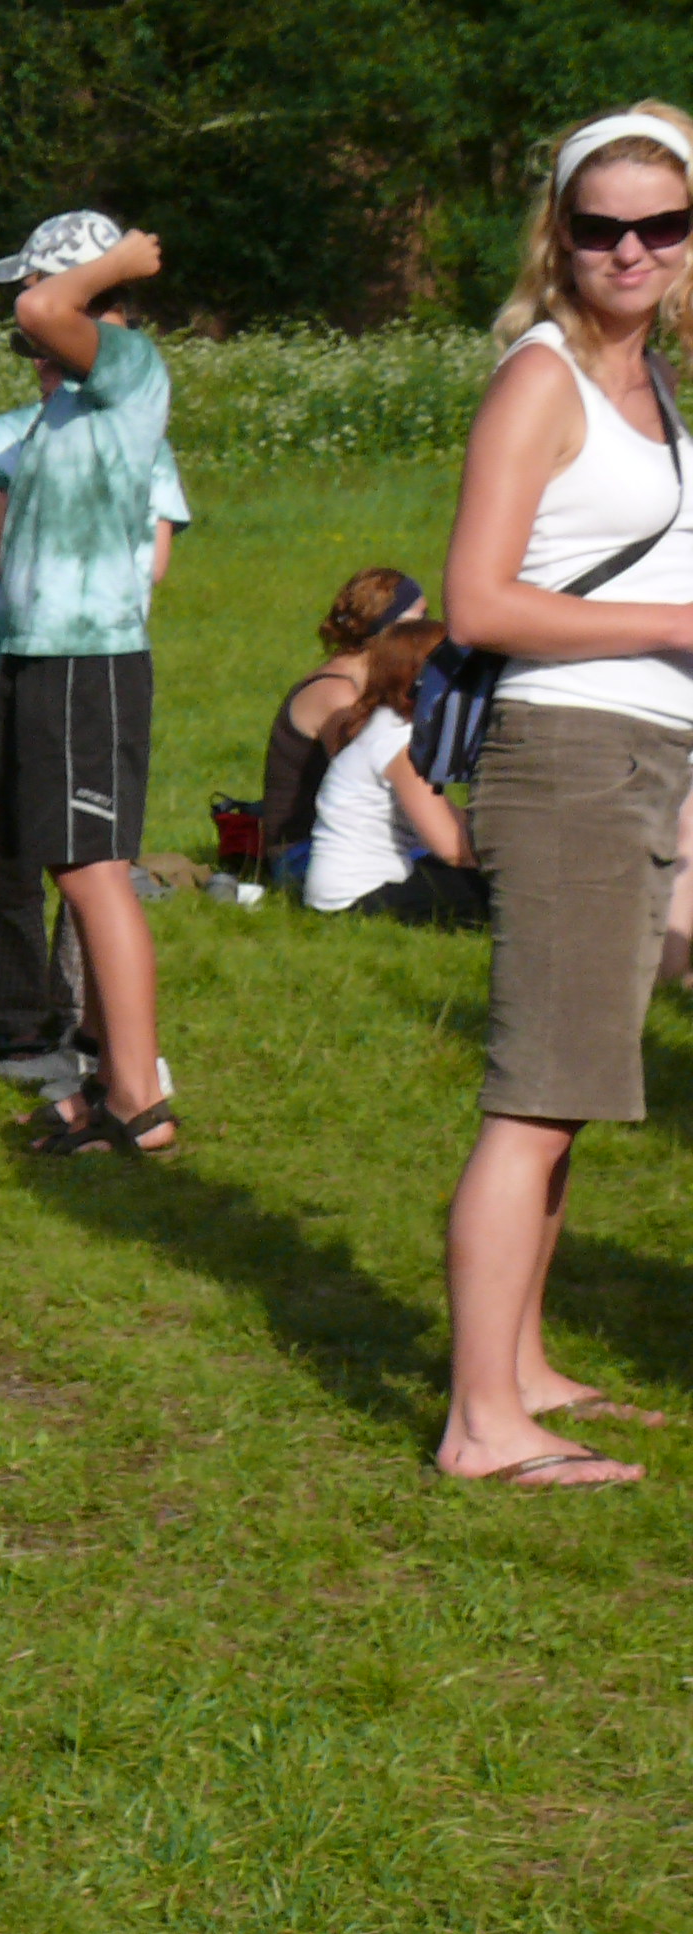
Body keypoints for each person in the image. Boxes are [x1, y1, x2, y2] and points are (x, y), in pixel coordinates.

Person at [434, 106, 693, 1489]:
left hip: (638, 756)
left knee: (573, 1088)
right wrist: (679, 626)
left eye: (663, 224)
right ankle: (482, 1422)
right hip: (571, 758)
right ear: (560, 235)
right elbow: (478, 601)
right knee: (535, 1096)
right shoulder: (543, 379)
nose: (632, 250)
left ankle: (525, 1370)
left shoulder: (648, 381)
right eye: (602, 228)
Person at [0, 211, 186, 1157]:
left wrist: (119, 262)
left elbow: (41, 308)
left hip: (87, 657)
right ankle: (108, 1077)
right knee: (79, 866)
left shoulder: (129, 364)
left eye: (35, 285)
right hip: (47, 654)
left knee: (95, 871)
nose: (22, 313)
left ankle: (139, 1099)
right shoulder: (69, 395)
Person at [302, 619, 486, 924]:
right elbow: (453, 849)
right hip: (357, 899)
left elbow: (447, 818)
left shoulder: (388, 726)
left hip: (341, 894)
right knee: (499, 889)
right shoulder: (399, 744)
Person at [249, 567, 425, 885]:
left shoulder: (367, 683)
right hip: (307, 853)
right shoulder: (337, 694)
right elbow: (376, 782)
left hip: (348, 841)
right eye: (420, 619)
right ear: (390, 629)